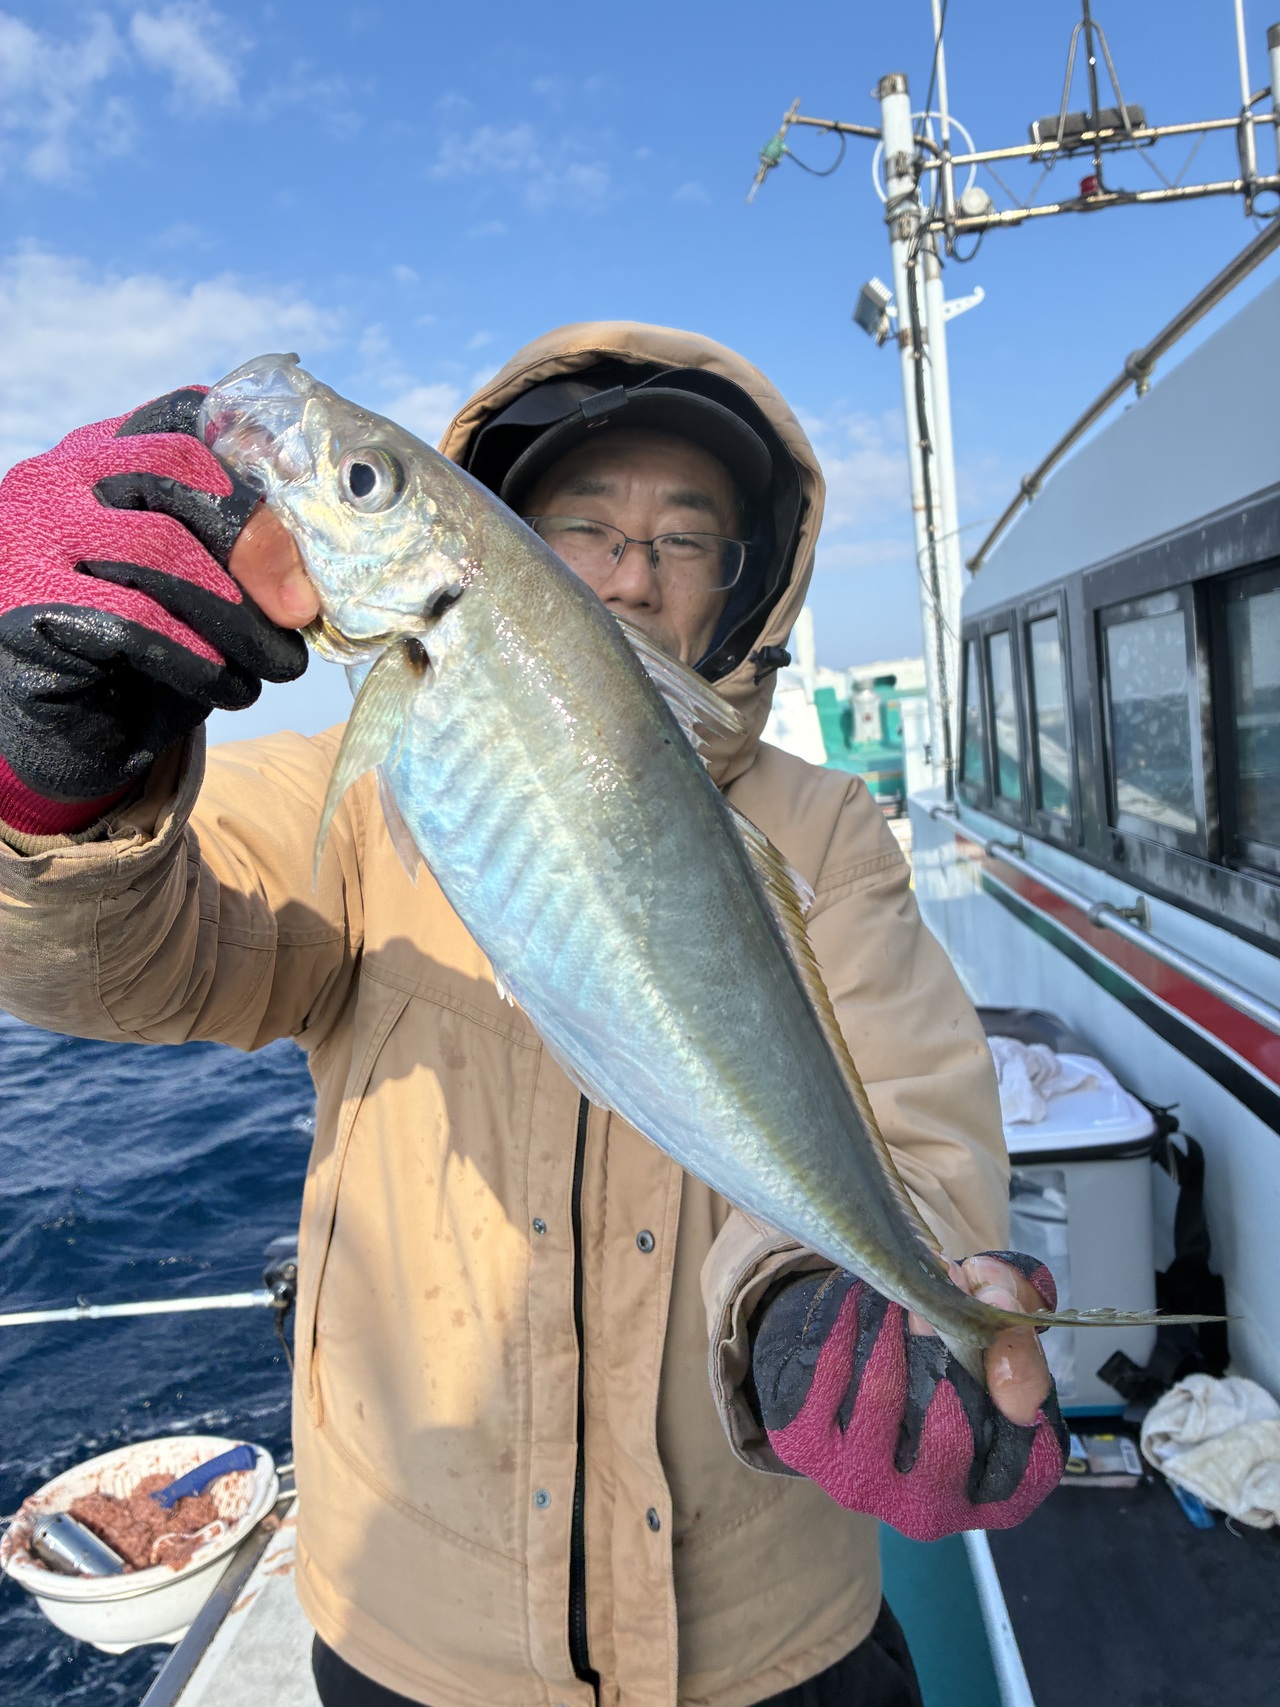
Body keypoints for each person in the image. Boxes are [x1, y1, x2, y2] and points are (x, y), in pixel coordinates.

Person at [0, 323, 1066, 1707]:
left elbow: (912, 1111)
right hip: (418, 1634)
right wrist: (49, 779)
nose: (631, 572)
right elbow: (120, 958)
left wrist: (822, 1286)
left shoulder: (828, 831)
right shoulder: (353, 794)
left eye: (686, 540)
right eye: (585, 527)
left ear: (741, 583)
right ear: (504, 541)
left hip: (770, 1639)